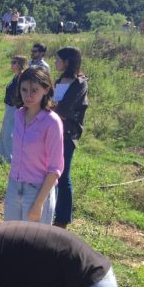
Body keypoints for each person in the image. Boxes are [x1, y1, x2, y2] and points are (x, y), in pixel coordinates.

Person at [4, 66, 64, 224]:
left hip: (37, 191)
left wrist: (38, 204)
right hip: (14, 188)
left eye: (34, 90)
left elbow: (55, 168)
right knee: (11, 242)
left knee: (34, 245)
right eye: (24, 90)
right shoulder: (19, 115)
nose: (28, 95)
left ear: (46, 89)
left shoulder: (52, 122)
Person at [52, 47, 89, 229]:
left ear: (67, 62)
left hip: (67, 135)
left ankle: (62, 219)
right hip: (53, 131)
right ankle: (52, 210)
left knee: (63, 175)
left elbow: (64, 109)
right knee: (51, 172)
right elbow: (51, 102)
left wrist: (49, 108)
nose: (55, 63)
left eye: (58, 59)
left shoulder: (80, 83)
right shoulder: (60, 80)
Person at [0, 55, 27, 163]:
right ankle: (2, 155)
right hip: (10, 106)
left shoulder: (22, 76)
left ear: (20, 63)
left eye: (14, 62)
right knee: (5, 131)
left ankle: (8, 158)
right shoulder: (16, 75)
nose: (12, 64)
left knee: (9, 133)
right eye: (11, 62)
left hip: (15, 108)